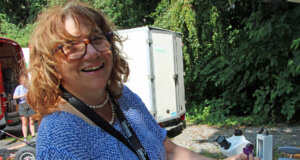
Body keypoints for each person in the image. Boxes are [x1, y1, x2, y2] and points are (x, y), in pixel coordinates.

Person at [27, 2, 259, 160]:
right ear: (51, 64)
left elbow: (169, 151)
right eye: (72, 46)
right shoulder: (58, 139)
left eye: (97, 38)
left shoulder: (123, 96)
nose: (92, 53)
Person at [13, 75, 36, 141]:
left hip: (29, 103)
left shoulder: (29, 87)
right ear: (20, 81)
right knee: (24, 122)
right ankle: (25, 137)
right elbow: (14, 97)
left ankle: (33, 136)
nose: (23, 82)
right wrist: (22, 95)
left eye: (24, 80)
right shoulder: (18, 88)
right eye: (22, 80)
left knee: (31, 121)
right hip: (22, 104)